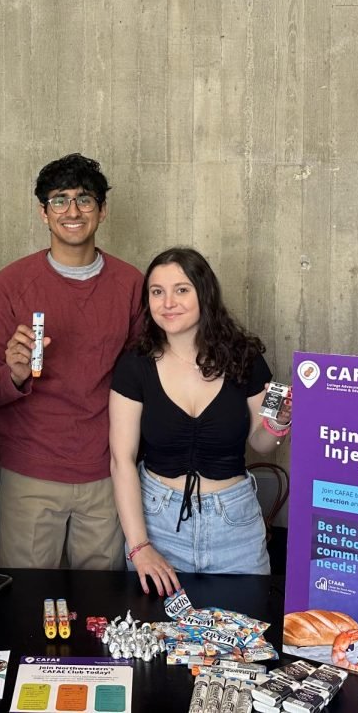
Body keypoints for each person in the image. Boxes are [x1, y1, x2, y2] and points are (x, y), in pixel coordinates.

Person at [0, 153, 143, 569]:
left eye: (84, 199)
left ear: (102, 211)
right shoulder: (11, 283)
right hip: (30, 473)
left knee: (100, 607)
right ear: (43, 212)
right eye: (59, 200)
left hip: (107, 472)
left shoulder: (131, 284)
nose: (72, 211)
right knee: (27, 607)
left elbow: (144, 379)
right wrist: (13, 376)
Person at [109, 247, 291, 593]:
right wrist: (139, 547)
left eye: (181, 289)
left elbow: (262, 444)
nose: (168, 302)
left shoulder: (249, 358)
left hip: (235, 525)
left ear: (204, 294)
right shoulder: (134, 365)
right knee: (157, 639)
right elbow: (121, 460)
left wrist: (280, 421)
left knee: (246, 640)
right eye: (157, 292)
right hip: (157, 522)